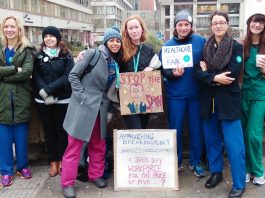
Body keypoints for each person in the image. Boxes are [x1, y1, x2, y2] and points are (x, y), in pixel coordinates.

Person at [61, 27, 122, 198]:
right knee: (74, 146)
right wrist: (81, 97)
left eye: (118, 40)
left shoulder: (115, 62)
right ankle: (67, 183)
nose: (115, 43)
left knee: (98, 144)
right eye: (112, 40)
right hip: (83, 106)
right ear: (106, 41)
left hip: (101, 108)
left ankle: (95, 174)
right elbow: (73, 76)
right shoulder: (92, 54)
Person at [193, 11, 245, 198]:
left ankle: (239, 183)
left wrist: (209, 74)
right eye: (215, 23)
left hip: (228, 102)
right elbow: (197, 72)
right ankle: (216, 173)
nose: (218, 26)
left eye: (221, 22)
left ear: (228, 24)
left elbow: (232, 73)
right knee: (212, 140)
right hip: (208, 102)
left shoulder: (236, 47)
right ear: (211, 26)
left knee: (234, 144)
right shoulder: (205, 47)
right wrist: (215, 77)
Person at [159, 10, 206, 177]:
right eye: (180, 25)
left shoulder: (201, 41)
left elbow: (210, 58)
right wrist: (172, 74)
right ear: (175, 27)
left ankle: (195, 161)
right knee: (175, 130)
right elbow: (162, 70)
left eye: (187, 24)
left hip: (196, 93)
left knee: (196, 129)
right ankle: (176, 161)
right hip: (176, 94)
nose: (184, 27)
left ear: (191, 26)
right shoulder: (167, 46)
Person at [33, 26, 74, 177]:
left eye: (52, 36)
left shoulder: (66, 54)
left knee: (62, 131)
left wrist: (49, 90)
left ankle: (63, 160)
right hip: (43, 100)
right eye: (46, 36)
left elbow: (68, 75)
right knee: (49, 131)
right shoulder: (37, 55)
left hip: (63, 99)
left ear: (58, 38)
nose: (48, 38)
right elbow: (35, 75)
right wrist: (44, 93)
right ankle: (53, 161)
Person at [0, 15, 34, 187]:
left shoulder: (27, 49)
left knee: (21, 136)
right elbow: (19, 71)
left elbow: (27, 71)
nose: (9, 29)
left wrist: (4, 77)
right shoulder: (0, 48)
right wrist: (14, 68)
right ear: (3, 29)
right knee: (4, 137)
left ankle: (22, 166)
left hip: (21, 99)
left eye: (13, 26)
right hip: (2, 99)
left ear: (19, 29)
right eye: (6, 26)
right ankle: (6, 170)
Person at [120, 15, 161, 129]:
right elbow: (107, 55)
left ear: (142, 29)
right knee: (136, 130)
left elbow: (159, 66)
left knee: (143, 129)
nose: (134, 31)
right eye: (130, 28)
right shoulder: (122, 49)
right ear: (126, 31)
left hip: (145, 97)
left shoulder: (149, 49)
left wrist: (152, 68)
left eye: (136, 27)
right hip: (128, 97)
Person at [241, 13, 265, 185]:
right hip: (242, 95)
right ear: (249, 24)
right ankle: (246, 170)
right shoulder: (241, 45)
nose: (257, 25)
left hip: (260, 96)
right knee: (242, 134)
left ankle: (258, 170)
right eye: (255, 21)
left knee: (253, 135)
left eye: (261, 22)